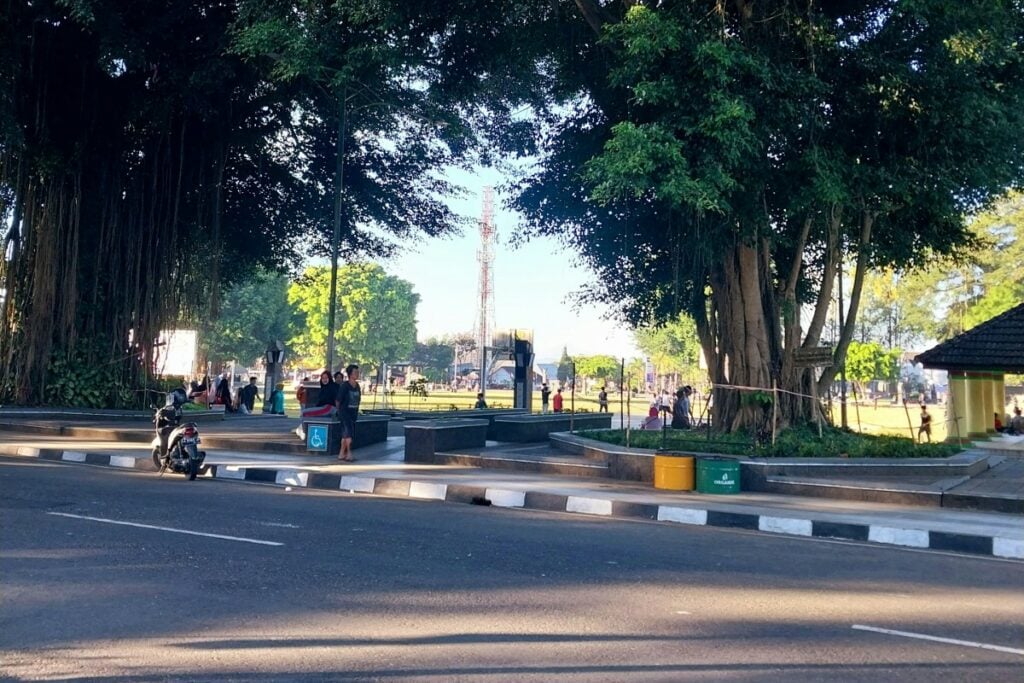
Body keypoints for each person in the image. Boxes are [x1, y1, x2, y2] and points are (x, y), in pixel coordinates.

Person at [296, 370, 338, 439]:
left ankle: (304, 432)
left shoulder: (332, 387)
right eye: (323, 378)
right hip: (325, 407)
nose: (324, 380)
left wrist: (337, 410)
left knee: (304, 413)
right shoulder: (323, 388)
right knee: (305, 413)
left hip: (329, 408)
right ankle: (304, 430)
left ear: (329, 378)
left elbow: (336, 399)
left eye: (326, 378)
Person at [337, 364, 361, 462]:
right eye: (355, 372)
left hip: (353, 412)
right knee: (349, 434)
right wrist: (340, 412)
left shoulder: (357, 386)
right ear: (350, 374)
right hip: (345, 412)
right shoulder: (345, 386)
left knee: (345, 435)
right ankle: (349, 453)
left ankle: (341, 453)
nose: (357, 374)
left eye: (357, 372)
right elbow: (338, 400)